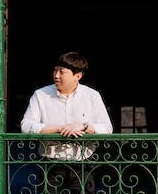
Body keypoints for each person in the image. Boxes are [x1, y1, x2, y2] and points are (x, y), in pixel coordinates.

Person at [20, 51, 113, 194]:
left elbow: (107, 128)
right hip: (50, 165)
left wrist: (84, 126)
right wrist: (58, 129)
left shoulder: (92, 96)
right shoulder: (40, 95)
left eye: (62, 72)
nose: (56, 75)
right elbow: (25, 125)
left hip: (83, 165)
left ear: (77, 76)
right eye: (55, 70)